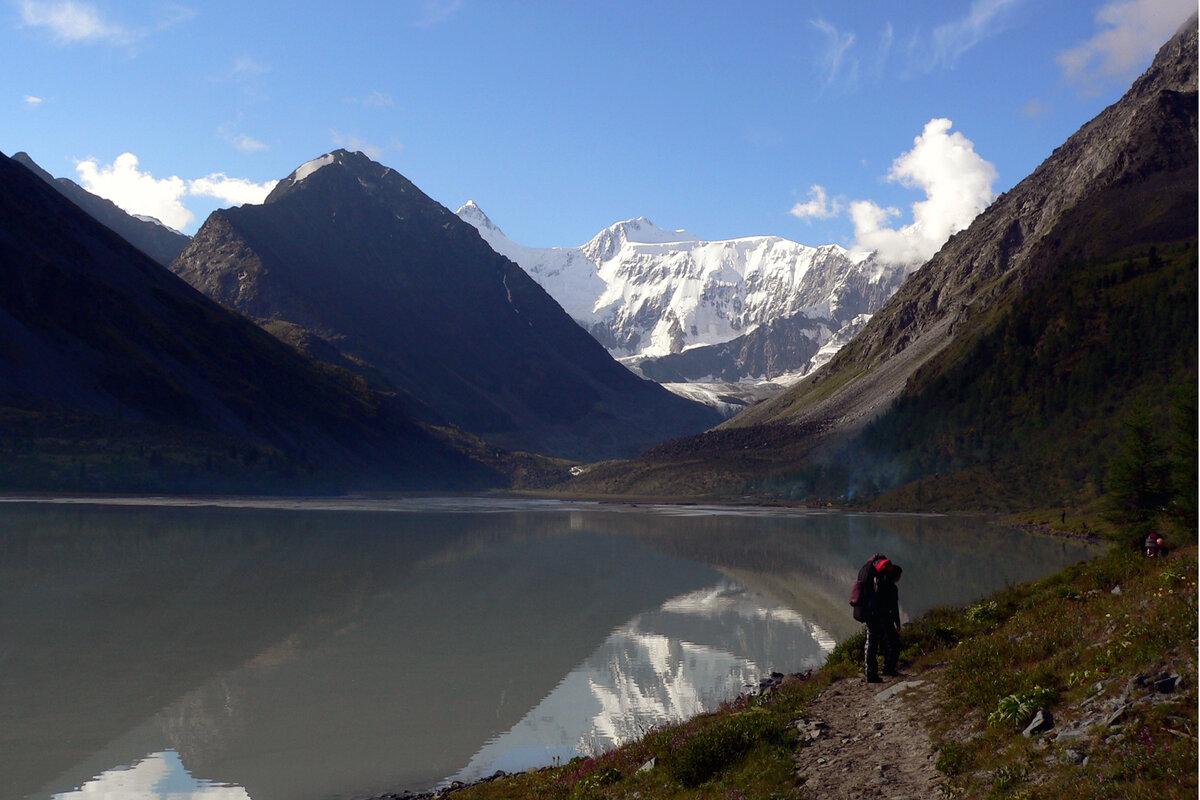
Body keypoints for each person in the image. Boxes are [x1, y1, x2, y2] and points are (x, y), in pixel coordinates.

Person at [864, 559, 902, 683]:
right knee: (894, 644)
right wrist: (898, 623)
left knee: (873, 646)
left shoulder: (878, 583)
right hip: (885, 619)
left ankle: (872, 672)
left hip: (873, 617)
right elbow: (894, 608)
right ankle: (887, 669)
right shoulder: (891, 587)